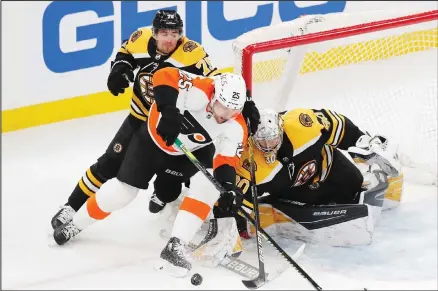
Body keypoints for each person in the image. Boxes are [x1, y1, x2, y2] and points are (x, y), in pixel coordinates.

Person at [50, 9, 260, 229]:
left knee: (191, 170)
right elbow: (125, 53)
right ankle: (70, 208)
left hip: (172, 123)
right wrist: (120, 68)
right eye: (164, 33)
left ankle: (169, 197)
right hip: (140, 117)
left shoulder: (192, 53)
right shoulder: (139, 38)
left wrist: (247, 102)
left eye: (175, 33)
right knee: (109, 164)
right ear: (154, 33)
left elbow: (219, 80)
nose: (169, 39)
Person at [53, 68, 249, 276]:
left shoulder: (236, 127)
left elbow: (226, 161)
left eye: (232, 111)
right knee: (123, 193)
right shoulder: (199, 90)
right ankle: (75, 224)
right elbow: (164, 75)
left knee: (209, 187)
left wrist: (228, 188)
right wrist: (168, 110)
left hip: (185, 154)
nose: (225, 115)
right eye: (222, 107)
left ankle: (176, 245)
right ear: (213, 95)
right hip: (149, 142)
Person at [220, 108, 404, 246]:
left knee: (354, 183)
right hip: (296, 193)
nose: (268, 145)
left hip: (330, 168)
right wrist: (231, 222)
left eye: (272, 139)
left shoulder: (302, 123)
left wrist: (363, 142)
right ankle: (276, 211)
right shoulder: (248, 163)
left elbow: (337, 125)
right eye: (262, 142)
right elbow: (236, 196)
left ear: (281, 129)